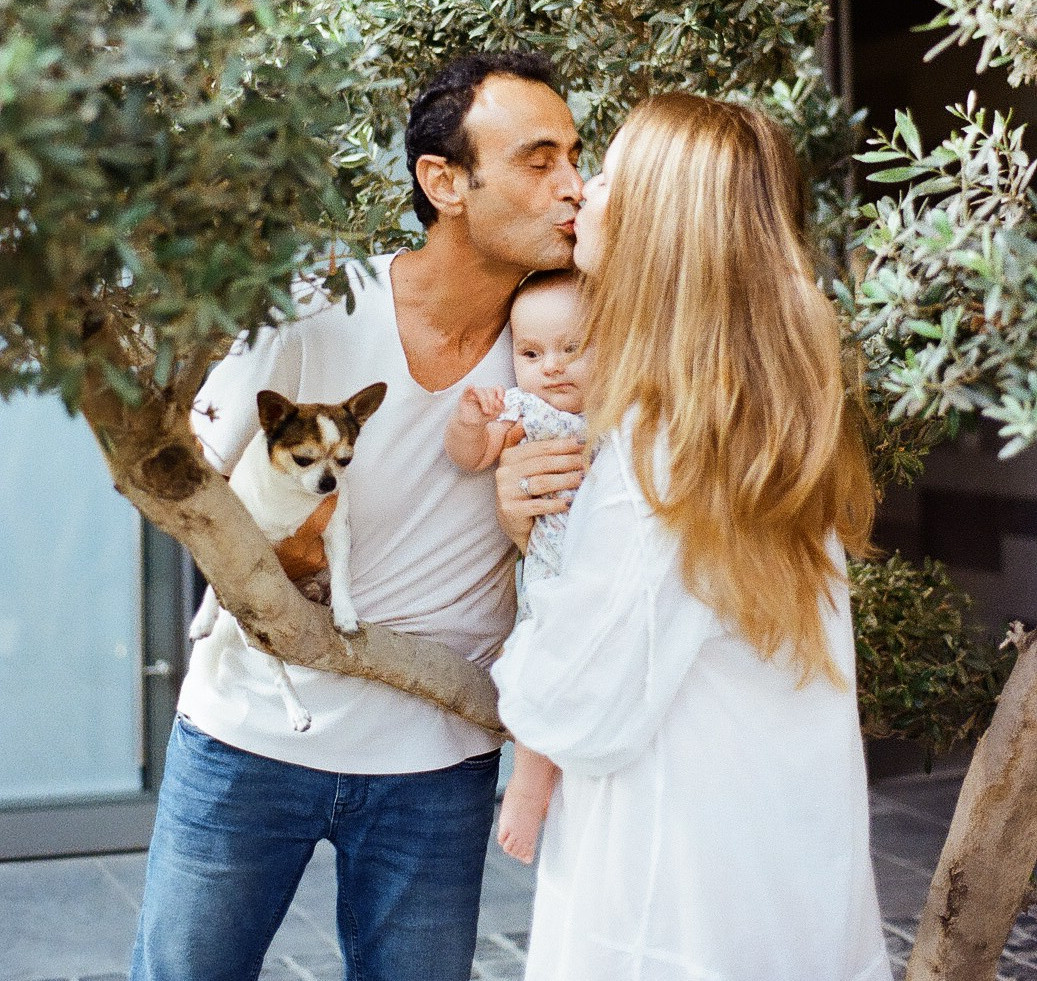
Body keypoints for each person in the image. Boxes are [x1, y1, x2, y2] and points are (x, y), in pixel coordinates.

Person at [129, 51, 587, 981]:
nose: (573, 186)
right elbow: (192, 488)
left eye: (575, 156)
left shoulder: (561, 352)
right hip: (249, 731)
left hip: (436, 753)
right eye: (540, 161)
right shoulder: (312, 310)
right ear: (443, 180)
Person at [492, 93, 893, 981]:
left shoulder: (659, 456)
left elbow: (579, 701)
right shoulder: (761, 422)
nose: (581, 193)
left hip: (670, 887)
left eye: (606, 176)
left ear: (656, 225)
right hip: (776, 870)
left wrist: (530, 575)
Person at [444, 269, 591, 863]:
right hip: (551, 575)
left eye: (571, 348)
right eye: (529, 353)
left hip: (607, 570)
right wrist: (470, 423)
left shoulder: (623, 408)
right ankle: (530, 779)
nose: (550, 366)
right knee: (544, 663)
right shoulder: (525, 410)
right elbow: (472, 456)